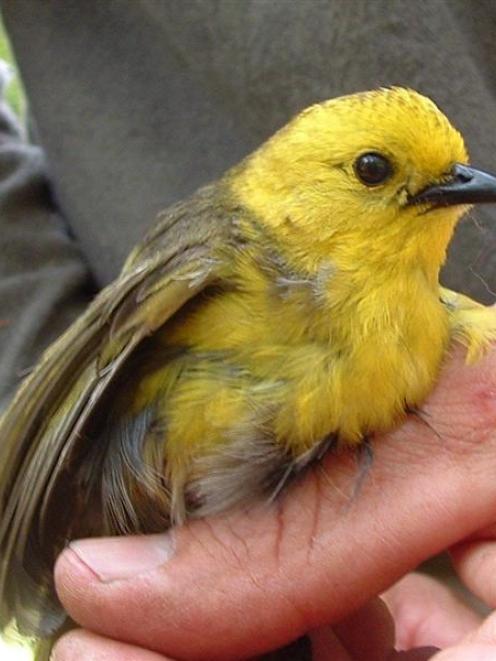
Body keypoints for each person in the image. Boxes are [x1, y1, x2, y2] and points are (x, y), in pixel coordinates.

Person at [0, 2, 495, 659]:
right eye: (375, 172)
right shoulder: (220, 256)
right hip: (180, 572)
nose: (450, 187)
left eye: (449, 173)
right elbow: (84, 386)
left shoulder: (437, 319)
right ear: (293, 188)